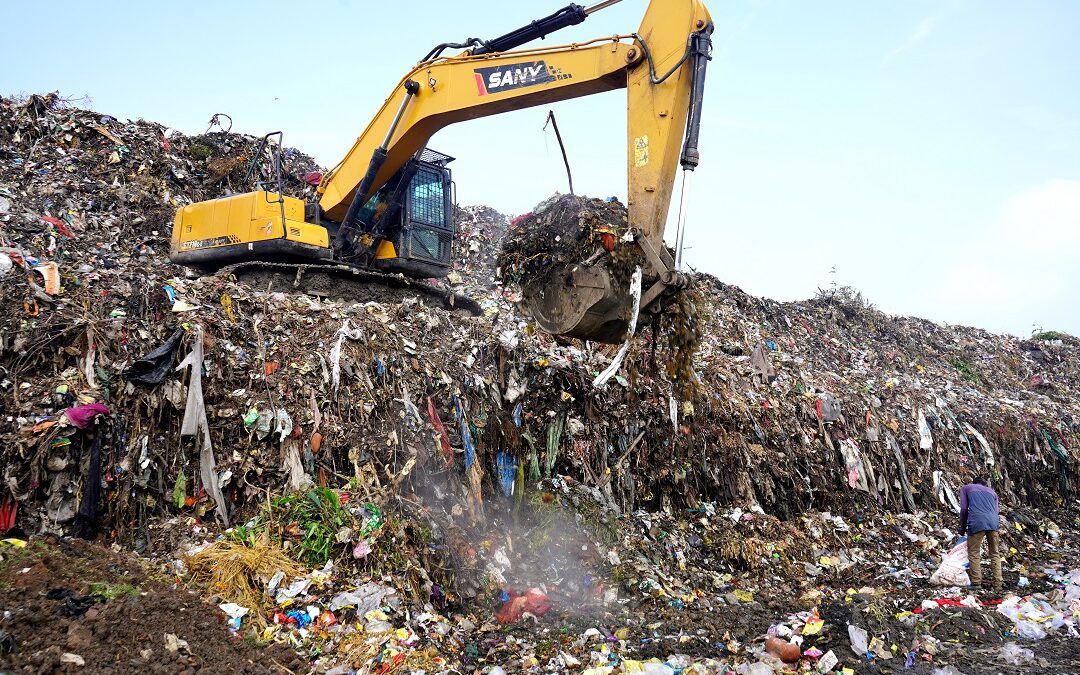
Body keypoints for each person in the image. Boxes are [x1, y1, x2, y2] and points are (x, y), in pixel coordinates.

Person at [959, 475, 1002, 590]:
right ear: (984, 485)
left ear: (974, 482)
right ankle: (998, 583)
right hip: (994, 522)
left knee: (974, 552)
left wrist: (962, 528)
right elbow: (996, 510)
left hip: (977, 521)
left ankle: (976, 582)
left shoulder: (966, 488)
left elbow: (964, 509)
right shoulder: (992, 492)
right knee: (994, 553)